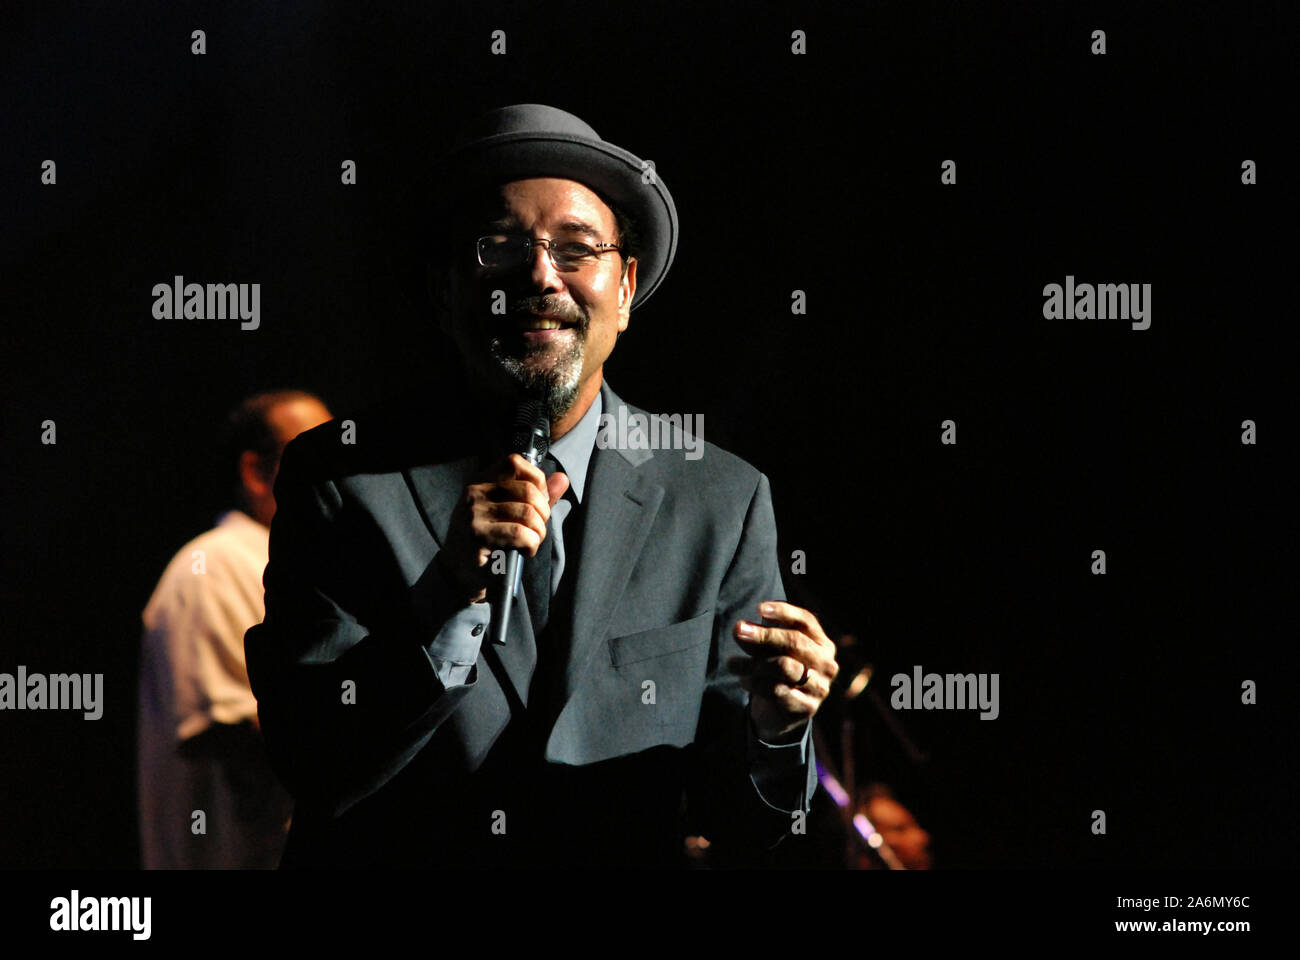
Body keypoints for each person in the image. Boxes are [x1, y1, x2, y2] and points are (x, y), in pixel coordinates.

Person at [244, 104, 840, 867]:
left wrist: (777, 732)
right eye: (500, 246)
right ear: (445, 291)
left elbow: (746, 827)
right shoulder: (344, 478)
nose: (538, 274)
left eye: (575, 248)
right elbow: (309, 761)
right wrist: (444, 600)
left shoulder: (719, 498)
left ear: (624, 287)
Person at [138, 389, 331, 868]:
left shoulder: (301, 565)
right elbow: (227, 729)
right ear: (254, 472)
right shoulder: (214, 564)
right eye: (313, 453)